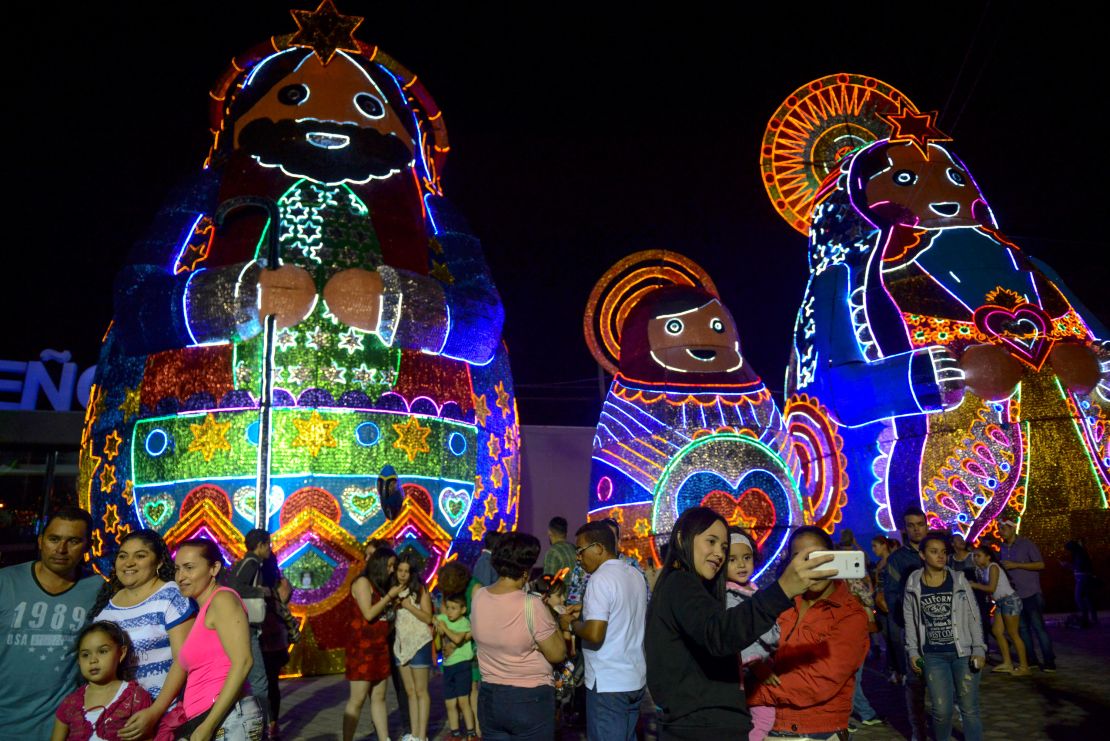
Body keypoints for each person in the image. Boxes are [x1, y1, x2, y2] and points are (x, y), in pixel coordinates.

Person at [645, 507, 837, 738]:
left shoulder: (689, 588)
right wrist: (782, 590)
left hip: (707, 722)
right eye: (711, 541)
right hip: (702, 726)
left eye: (724, 547)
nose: (719, 553)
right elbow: (720, 634)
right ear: (681, 538)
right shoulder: (681, 584)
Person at [130, 538, 261, 741]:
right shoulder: (202, 610)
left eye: (189, 568)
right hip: (209, 720)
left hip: (226, 720)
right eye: (177, 569)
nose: (181, 576)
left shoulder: (222, 599)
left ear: (214, 568)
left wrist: (208, 725)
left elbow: (243, 662)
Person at [748, 526, 870, 740]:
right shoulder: (779, 604)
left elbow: (816, 683)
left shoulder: (850, 615)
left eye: (818, 557)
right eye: (801, 559)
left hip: (817, 733)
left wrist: (745, 691)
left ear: (833, 558)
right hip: (767, 727)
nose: (812, 567)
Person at [0, 507, 103, 741]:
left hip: (58, 727)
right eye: (54, 539)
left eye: (73, 541)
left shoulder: (97, 589)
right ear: (40, 541)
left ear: (87, 545)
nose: (61, 549)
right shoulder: (5, 583)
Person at [90, 529, 196, 735]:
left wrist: (155, 712)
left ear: (158, 563)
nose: (129, 562)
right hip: (120, 718)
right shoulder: (105, 610)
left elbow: (183, 660)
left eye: (140, 556)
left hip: (165, 715)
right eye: (123, 556)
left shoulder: (171, 595)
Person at [471, 532, 567, 739]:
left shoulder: (479, 597)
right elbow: (557, 654)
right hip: (528, 699)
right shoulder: (531, 605)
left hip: (489, 695)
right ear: (525, 571)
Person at [558, 522, 646, 741]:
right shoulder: (634, 574)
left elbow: (596, 633)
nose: (578, 558)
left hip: (608, 683)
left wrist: (570, 624)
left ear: (598, 548)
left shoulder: (599, 578)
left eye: (580, 551)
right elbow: (621, 612)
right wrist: (586, 611)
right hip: (634, 678)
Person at [903, 531, 986, 741]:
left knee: (969, 709)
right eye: (933, 552)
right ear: (922, 555)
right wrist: (913, 651)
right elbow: (910, 619)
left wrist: (978, 648)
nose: (941, 556)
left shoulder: (958, 580)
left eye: (943, 552)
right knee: (941, 711)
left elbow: (973, 614)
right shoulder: (913, 583)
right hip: (933, 656)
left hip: (963, 653)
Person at [51, 621, 152, 741]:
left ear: (121, 653)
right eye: (85, 655)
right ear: (78, 659)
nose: (93, 660)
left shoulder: (136, 697)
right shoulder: (69, 703)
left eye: (102, 651)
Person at [723, 529, 778, 741]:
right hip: (747, 672)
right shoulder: (729, 596)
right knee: (763, 717)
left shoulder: (751, 591)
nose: (742, 565)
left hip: (755, 670)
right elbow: (739, 635)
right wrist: (756, 664)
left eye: (746, 558)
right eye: (733, 560)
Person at [343, 547, 402, 741]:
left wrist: (393, 608)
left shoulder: (380, 586)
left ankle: (384, 738)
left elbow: (385, 619)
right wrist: (389, 597)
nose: (392, 570)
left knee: (379, 697)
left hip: (379, 647)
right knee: (358, 699)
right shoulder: (362, 583)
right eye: (390, 566)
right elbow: (368, 613)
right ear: (379, 564)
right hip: (362, 650)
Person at [883, 507, 930, 739]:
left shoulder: (938, 552)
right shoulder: (897, 559)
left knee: (946, 684)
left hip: (943, 631)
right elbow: (891, 596)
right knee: (915, 684)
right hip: (913, 632)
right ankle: (918, 732)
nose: (916, 529)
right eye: (910, 525)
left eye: (919, 524)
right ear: (904, 529)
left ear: (927, 524)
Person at [225, 529, 274, 725]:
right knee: (259, 680)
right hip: (247, 628)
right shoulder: (252, 564)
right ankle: (261, 726)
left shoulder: (243, 563)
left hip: (239, 628)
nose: (270, 549)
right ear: (260, 545)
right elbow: (236, 588)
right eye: (268, 544)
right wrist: (260, 591)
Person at [998, 519, 1056, 671]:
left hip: (1031, 593)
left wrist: (1017, 565)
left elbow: (1040, 564)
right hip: (1015, 596)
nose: (1000, 531)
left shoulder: (1026, 544)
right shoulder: (1002, 547)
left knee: (1038, 628)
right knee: (1022, 629)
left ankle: (1049, 661)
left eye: (1003, 528)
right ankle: (1031, 660)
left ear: (1012, 528)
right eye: (999, 528)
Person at [393, 548, 434, 741]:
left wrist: (409, 607)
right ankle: (414, 734)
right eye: (399, 570)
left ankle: (421, 734)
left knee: (421, 691)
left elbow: (428, 617)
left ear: (412, 572)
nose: (402, 574)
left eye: (406, 571)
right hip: (401, 644)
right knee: (409, 691)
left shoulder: (420, 590)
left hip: (419, 642)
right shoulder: (393, 590)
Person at [969, 544, 1030, 675]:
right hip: (1001, 602)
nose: (975, 558)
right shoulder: (984, 569)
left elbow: (991, 588)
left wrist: (974, 585)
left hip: (1009, 600)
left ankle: (1024, 667)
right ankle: (1007, 663)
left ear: (988, 557)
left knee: (1013, 634)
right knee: (997, 631)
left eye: (978, 555)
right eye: (974, 556)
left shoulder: (993, 567)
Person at [257, 553, 294, 739]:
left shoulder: (256, 583)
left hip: (263, 637)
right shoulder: (281, 583)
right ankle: (273, 724)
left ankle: (267, 723)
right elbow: (284, 604)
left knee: (263, 683)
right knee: (272, 684)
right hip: (277, 639)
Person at [436, 594, 477, 739]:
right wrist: (438, 627)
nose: (450, 611)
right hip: (448, 667)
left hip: (462, 666)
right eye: (448, 608)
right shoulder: (443, 619)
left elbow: (458, 639)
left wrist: (445, 628)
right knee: (450, 703)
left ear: (463, 609)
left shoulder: (464, 623)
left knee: (463, 701)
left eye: (454, 608)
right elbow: (434, 621)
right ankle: (455, 733)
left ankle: (471, 732)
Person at [1063, 540, 1098, 628]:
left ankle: (1085, 618)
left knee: (1078, 598)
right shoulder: (1082, 553)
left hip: (1082, 579)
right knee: (1087, 598)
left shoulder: (1078, 554)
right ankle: (1093, 619)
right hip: (1085, 578)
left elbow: (1079, 567)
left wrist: (1067, 565)